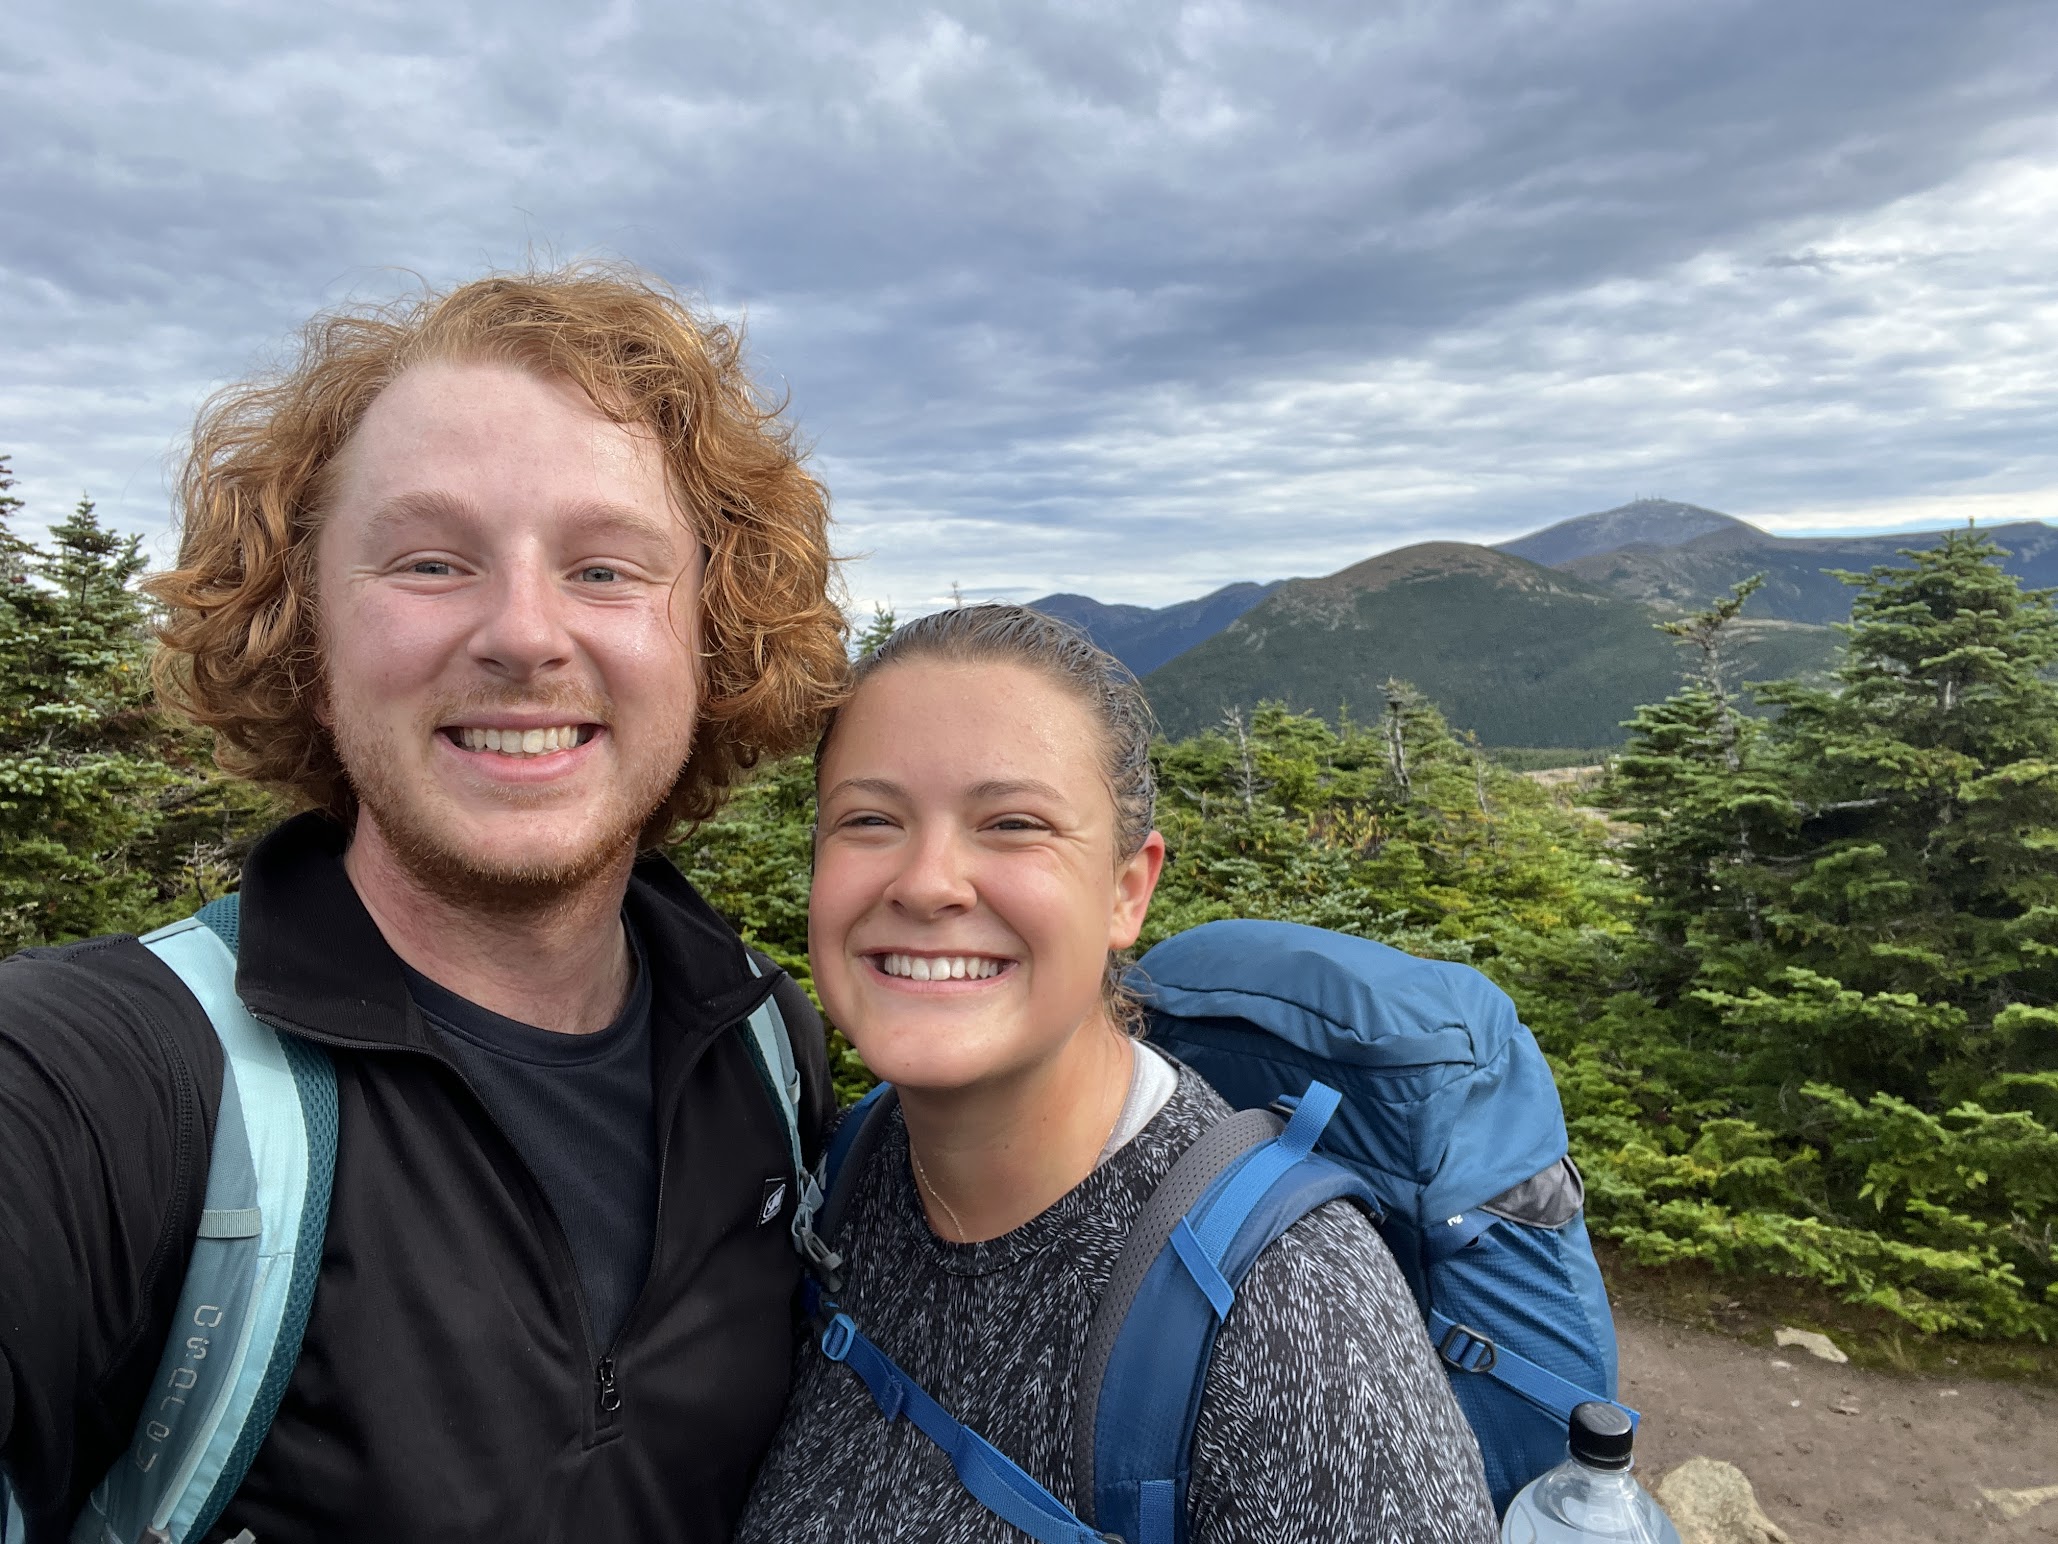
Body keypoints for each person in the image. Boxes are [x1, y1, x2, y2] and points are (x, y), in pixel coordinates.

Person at [0, 265, 845, 1542]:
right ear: (306, 633)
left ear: (710, 641)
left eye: (608, 569)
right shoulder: (111, 1087)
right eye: (431, 558)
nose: (523, 632)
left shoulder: (770, 1056)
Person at [735, 604, 1498, 1542]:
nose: (928, 881)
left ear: (1127, 889)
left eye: (1013, 823)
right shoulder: (849, 1169)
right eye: (868, 819)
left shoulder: (1291, 1315)